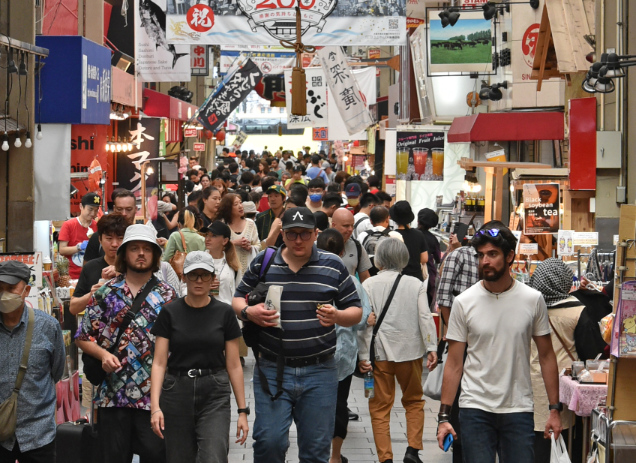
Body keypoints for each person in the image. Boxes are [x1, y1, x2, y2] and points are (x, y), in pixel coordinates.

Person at [232, 207, 363, 463]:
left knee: (315, 449)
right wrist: (249, 312)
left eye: (305, 234)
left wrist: (337, 316)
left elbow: (356, 311)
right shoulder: (264, 261)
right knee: (269, 442)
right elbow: (237, 299)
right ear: (283, 234)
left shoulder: (332, 265)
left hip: (320, 370)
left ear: (316, 234)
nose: (298, 241)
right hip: (272, 367)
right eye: (292, 235)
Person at [437, 223, 563, 463]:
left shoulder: (532, 300)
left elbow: (547, 356)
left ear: (509, 257)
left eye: (492, 254)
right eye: (481, 255)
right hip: (474, 407)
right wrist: (444, 417)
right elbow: (454, 364)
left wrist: (554, 409)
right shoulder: (464, 302)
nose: (484, 261)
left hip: (518, 408)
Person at [76, 225, 178, 463]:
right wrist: (102, 354)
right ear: (124, 254)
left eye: (146, 249)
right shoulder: (105, 292)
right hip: (113, 397)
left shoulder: (168, 295)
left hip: (154, 400)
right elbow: (83, 337)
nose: (141, 253)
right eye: (134, 248)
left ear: (155, 255)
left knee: (157, 457)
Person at [150, 252, 249, 463]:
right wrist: (155, 406)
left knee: (214, 456)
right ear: (183, 277)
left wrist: (242, 411)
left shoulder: (224, 313)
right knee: (179, 457)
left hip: (214, 391)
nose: (199, 280)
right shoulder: (170, 312)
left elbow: (233, 365)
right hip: (176, 390)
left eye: (204, 275)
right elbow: (159, 362)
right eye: (193, 275)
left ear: (213, 278)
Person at [357, 239, 438, 463]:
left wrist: (363, 357)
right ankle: (412, 451)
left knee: (379, 407)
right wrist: (431, 346)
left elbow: (366, 324)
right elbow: (425, 317)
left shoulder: (369, 285)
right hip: (410, 353)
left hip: (379, 355)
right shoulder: (415, 284)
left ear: (379, 259)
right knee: (413, 401)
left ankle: (385, 458)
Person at [528, 259, 599, 463]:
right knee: (563, 442)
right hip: (563, 386)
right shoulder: (578, 311)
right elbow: (591, 353)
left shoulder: (528, 309)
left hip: (529, 383)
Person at [316, 229, 372, 463]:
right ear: (342, 251)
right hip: (343, 358)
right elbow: (363, 319)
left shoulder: (310, 278)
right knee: (339, 405)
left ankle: (315, 451)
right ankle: (335, 456)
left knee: (315, 407)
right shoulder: (351, 282)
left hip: (314, 355)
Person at [0, 261, 65, 463]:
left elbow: (57, 371)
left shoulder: (48, 327)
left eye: (11, 289)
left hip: (39, 433)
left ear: (26, 290)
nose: (4, 295)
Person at [434, 230, 479, 463]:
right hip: (461, 339)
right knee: (459, 392)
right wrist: (454, 334)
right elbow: (443, 296)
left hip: (483, 342)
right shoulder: (460, 255)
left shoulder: (493, 262)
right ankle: (458, 441)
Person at [70, 214, 128, 315]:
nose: (114, 244)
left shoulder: (133, 267)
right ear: (100, 240)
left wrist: (121, 273)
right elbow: (73, 308)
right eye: (109, 238)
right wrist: (91, 295)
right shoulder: (90, 267)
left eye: (120, 238)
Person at [217, 193, 261, 279]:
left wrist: (250, 247)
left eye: (240, 203)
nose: (240, 206)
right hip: (227, 270)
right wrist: (234, 243)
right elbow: (215, 246)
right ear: (228, 208)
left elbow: (258, 245)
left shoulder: (250, 223)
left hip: (247, 269)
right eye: (235, 204)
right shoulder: (222, 225)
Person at [85, 190, 137, 262]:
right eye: (119, 209)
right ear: (114, 209)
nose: (124, 213)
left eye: (128, 209)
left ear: (135, 209)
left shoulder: (141, 237)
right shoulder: (98, 237)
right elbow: (88, 269)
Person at [58, 192, 100, 278]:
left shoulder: (97, 226)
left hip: (91, 274)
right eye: (90, 209)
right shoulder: (68, 225)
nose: (93, 214)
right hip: (71, 275)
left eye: (96, 210)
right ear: (81, 206)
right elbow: (62, 250)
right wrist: (79, 247)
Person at [202, 221, 241, 305]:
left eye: (213, 236)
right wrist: (203, 287)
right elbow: (184, 289)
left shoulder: (233, 265)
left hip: (227, 314)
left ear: (225, 241)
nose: (208, 239)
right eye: (207, 235)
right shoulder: (199, 261)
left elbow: (239, 294)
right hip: (205, 313)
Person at [390, 201, 428, 281]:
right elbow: (424, 258)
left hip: (398, 278)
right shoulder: (419, 234)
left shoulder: (392, 235)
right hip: (416, 277)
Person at [331, 208, 372, 282]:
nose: (350, 229)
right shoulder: (318, 245)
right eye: (346, 226)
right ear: (334, 225)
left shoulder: (357, 247)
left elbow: (365, 278)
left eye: (352, 225)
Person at [417, 208, 442, 306]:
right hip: (427, 276)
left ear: (418, 221)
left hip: (412, 273)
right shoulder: (433, 239)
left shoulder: (413, 235)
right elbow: (438, 258)